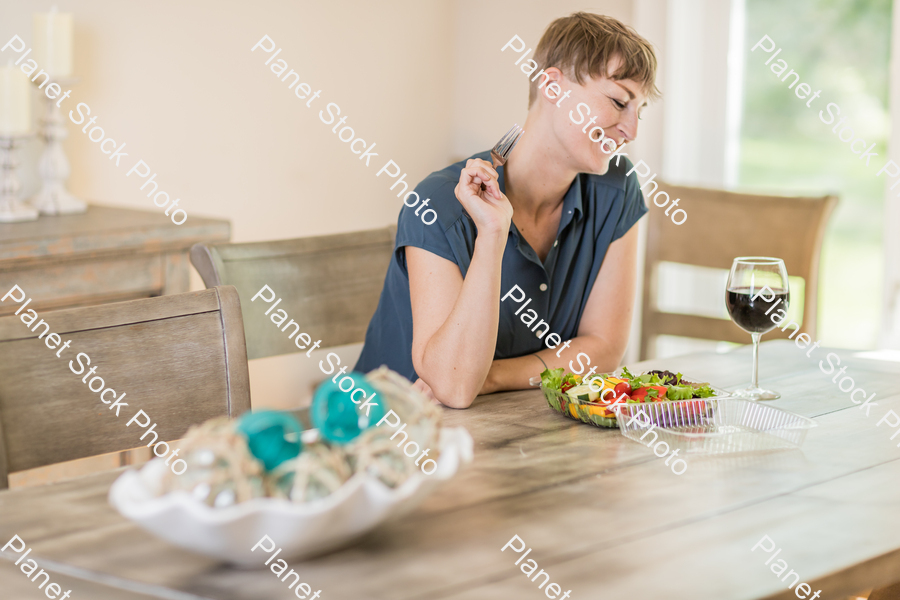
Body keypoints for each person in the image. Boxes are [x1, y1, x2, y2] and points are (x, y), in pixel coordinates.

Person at [355, 12, 660, 408]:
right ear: (552, 86)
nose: (632, 130)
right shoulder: (436, 204)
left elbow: (602, 349)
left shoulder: (616, 187)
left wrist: (494, 376)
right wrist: (493, 235)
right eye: (619, 102)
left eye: (640, 110)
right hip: (391, 439)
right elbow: (455, 388)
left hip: (512, 429)